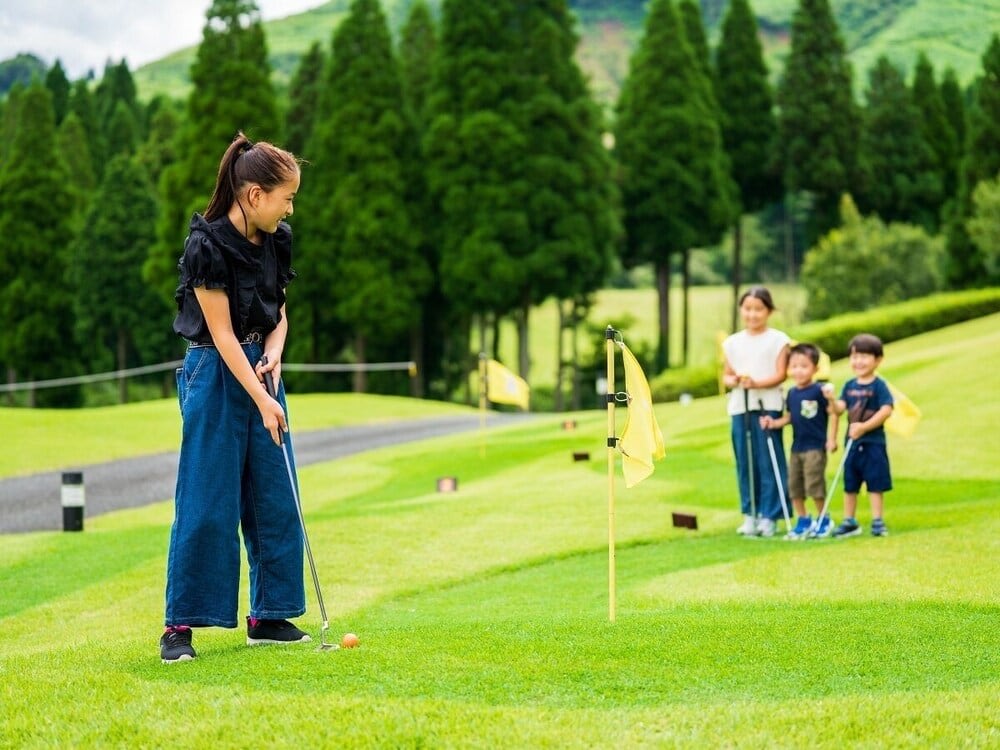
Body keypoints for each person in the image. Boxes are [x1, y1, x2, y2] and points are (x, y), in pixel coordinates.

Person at [161, 132, 310, 663]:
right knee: (206, 500)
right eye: (285, 197)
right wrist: (264, 398)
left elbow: (280, 311)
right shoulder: (205, 245)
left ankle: (269, 616)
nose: (290, 206)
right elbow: (222, 335)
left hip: (260, 371)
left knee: (275, 495)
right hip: (216, 372)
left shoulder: (276, 238)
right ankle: (179, 626)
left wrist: (275, 353)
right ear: (253, 195)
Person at [722, 287, 791, 537]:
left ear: (769, 311)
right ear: (741, 310)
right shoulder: (731, 342)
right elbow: (726, 375)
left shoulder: (779, 340)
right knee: (745, 461)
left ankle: (769, 515)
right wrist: (735, 380)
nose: (752, 314)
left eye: (758, 309)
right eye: (748, 308)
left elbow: (781, 373)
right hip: (741, 406)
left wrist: (756, 383)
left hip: (768, 406)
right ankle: (749, 513)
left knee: (768, 461)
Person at [760, 343, 840, 539]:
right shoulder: (792, 393)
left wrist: (831, 439)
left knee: (814, 485)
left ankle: (824, 520)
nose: (798, 371)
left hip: (815, 447)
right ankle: (804, 520)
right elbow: (789, 417)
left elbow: (835, 413)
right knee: (794, 486)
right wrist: (773, 422)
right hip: (797, 447)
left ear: (815, 368)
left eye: (804, 366)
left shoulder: (820, 390)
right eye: (794, 366)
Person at [828, 333, 894, 538]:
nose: (859, 361)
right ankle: (849, 521)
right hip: (852, 444)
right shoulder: (849, 385)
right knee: (850, 484)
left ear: (878, 360)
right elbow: (839, 409)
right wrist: (830, 400)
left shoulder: (878, 385)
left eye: (864, 356)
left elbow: (886, 410)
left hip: (873, 442)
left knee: (875, 482)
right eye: (855, 357)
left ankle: (877, 520)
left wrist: (864, 427)